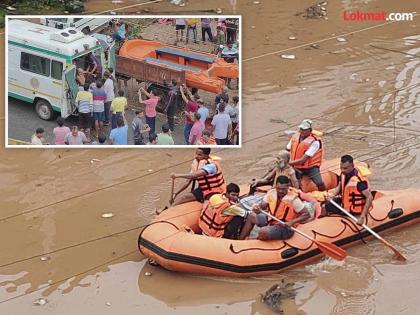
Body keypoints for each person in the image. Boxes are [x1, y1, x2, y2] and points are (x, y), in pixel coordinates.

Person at [239, 176, 320, 240]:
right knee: (251, 216)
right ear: (276, 186)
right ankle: (241, 239)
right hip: (271, 219)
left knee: (263, 231)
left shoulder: (293, 199)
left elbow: (306, 214)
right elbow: (263, 206)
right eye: (278, 188)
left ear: (288, 187)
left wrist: (292, 222)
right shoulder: (271, 193)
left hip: (285, 226)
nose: (280, 191)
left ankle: (254, 244)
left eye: (283, 189)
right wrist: (257, 207)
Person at [324, 155, 374, 225]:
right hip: (346, 202)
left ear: (352, 166)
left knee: (329, 207)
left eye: (345, 168)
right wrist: (332, 196)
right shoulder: (344, 174)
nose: (342, 170)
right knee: (328, 204)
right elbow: (340, 185)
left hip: (354, 209)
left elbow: (370, 197)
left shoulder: (358, 181)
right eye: (341, 168)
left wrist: (362, 217)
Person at [287, 119, 326, 191]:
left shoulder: (315, 142)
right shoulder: (294, 137)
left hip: (310, 167)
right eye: (301, 129)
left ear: (310, 130)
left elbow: (303, 160)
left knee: (319, 182)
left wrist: (288, 163)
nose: (302, 131)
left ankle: (324, 193)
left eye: (304, 130)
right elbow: (287, 149)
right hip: (295, 165)